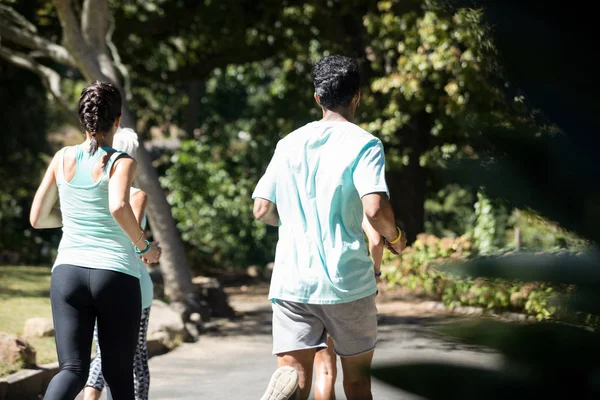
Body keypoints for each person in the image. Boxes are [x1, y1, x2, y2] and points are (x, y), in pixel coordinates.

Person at [253, 55, 407, 400]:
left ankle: (286, 382)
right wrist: (395, 237)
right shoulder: (364, 144)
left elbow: (261, 208)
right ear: (357, 96)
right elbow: (375, 207)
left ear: (317, 98)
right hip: (346, 281)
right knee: (355, 383)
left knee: (296, 376)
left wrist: (293, 220)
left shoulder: (288, 144)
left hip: (291, 280)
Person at [30, 81, 161, 400]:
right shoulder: (121, 161)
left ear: (83, 119)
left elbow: (37, 217)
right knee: (118, 374)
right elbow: (118, 205)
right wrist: (145, 246)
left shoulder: (62, 157)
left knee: (72, 370)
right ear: (117, 120)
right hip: (114, 275)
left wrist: (74, 217)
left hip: (67, 273)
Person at [83, 128, 153, 400]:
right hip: (131, 283)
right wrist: (150, 248)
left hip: (98, 277)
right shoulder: (135, 195)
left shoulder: (93, 192)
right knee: (135, 358)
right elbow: (134, 242)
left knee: (105, 352)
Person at [313, 216, 384, 400]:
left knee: (325, 372)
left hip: (315, 290)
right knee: (357, 380)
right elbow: (376, 241)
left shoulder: (313, 201)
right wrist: (376, 273)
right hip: (352, 290)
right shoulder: (357, 201)